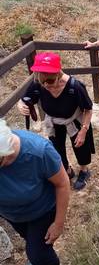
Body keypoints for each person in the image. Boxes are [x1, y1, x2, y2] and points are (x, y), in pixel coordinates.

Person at [0, 119, 70, 265]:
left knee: (39, 252)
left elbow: (63, 184)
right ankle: (35, 255)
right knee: (29, 240)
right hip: (12, 214)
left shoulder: (38, 152)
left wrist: (58, 223)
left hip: (42, 210)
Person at [18, 52, 94, 191]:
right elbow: (24, 100)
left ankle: (84, 171)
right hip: (54, 122)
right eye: (43, 81)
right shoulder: (38, 84)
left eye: (51, 81)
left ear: (58, 73)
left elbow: (88, 109)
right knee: (57, 149)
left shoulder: (75, 87)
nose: (47, 85)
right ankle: (67, 170)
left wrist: (83, 130)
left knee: (80, 146)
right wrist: (21, 106)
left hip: (73, 120)